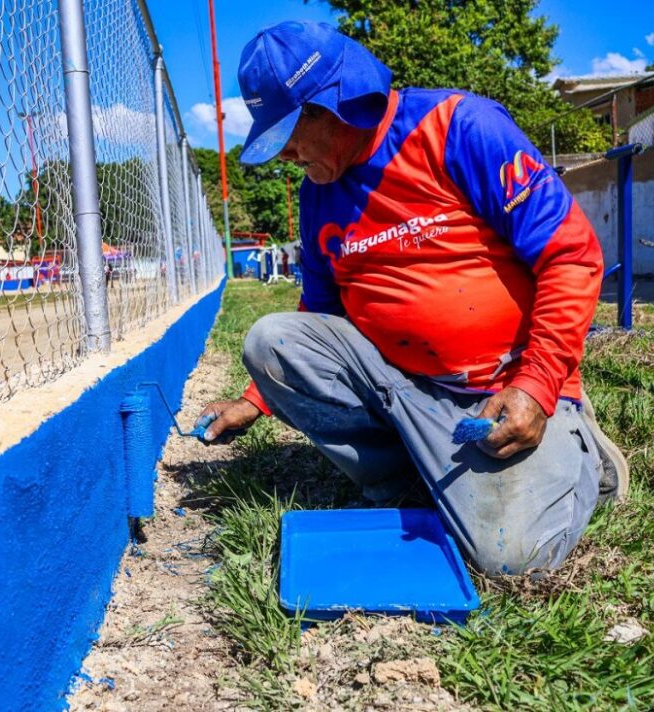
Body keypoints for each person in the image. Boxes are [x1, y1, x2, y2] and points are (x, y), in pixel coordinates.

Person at [196, 21, 629, 577]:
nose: (284, 154)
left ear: (333, 107)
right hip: (407, 392)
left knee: (511, 556)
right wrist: (256, 399)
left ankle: (582, 450)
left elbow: (571, 256)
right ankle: (408, 478)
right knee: (271, 340)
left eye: (289, 134)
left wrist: (536, 384)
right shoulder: (318, 194)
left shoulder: (458, 128)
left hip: (503, 389)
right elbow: (320, 316)